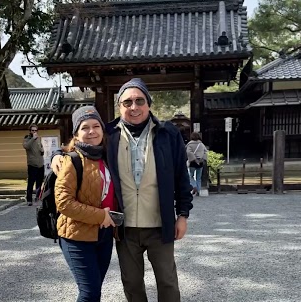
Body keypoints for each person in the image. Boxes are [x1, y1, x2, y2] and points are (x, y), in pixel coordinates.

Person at [51, 78, 193, 302]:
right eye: (127, 102)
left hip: (160, 224)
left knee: (167, 281)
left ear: (149, 103)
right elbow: (80, 145)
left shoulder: (168, 134)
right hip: (124, 228)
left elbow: (182, 178)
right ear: (119, 106)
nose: (134, 107)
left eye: (139, 101)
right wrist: (55, 156)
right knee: (132, 284)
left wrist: (183, 215)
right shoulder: (109, 134)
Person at [54, 106, 120, 302]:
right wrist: (101, 215)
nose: (92, 131)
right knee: (89, 292)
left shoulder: (107, 156)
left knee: (95, 289)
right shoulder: (71, 160)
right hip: (76, 235)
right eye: (85, 127)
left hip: (104, 234)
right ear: (76, 133)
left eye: (96, 126)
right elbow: (64, 203)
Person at [23, 125, 45, 206]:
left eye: (36, 130)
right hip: (32, 164)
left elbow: (40, 148)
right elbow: (26, 146)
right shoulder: (27, 139)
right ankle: (29, 199)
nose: (34, 132)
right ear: (30, 131)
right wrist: (33, 139)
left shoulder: (38, 140)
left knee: (39, 183)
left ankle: (38, 198)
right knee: (31, 183)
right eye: (33, 130)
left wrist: (42, 151)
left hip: (40, 164)